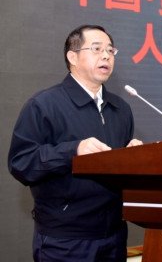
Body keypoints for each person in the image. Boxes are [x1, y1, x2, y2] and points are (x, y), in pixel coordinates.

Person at [7, 24, 143, 262]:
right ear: (72, 57)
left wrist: (134, 159)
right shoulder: (44, 104)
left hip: (114, 236)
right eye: (97, 49)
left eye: (110, 50)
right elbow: (21, 163)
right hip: (66, 241)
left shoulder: (121, 109)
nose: (106, 56)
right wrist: (73, 151)